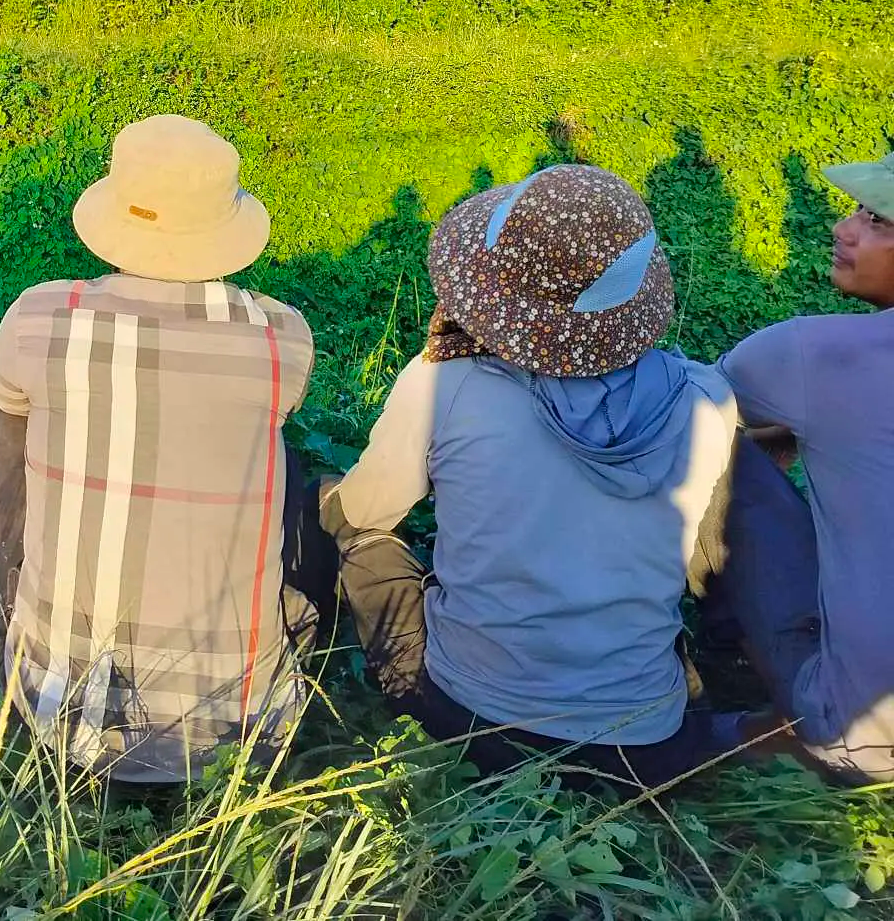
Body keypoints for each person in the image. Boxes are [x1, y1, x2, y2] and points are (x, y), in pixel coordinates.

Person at [323, 164, 740, 788]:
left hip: (471, 718)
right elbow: (707, 558)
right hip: (643, 744)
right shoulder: (707, 398)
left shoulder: (447, 384)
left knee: (351, 525)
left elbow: (363, 513)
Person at [0, 115, 336, 781]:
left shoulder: (42, 315)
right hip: (237, 728)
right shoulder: (282, 335)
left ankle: (21, 677)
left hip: (66, 720)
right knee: (287, 459)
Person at [697, 151, 894, 785]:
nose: (844, 228)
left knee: (718, 449)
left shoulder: (819, 354)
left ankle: (760, 725)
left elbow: (688, 408)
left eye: (877, 219)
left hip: (863, 739)